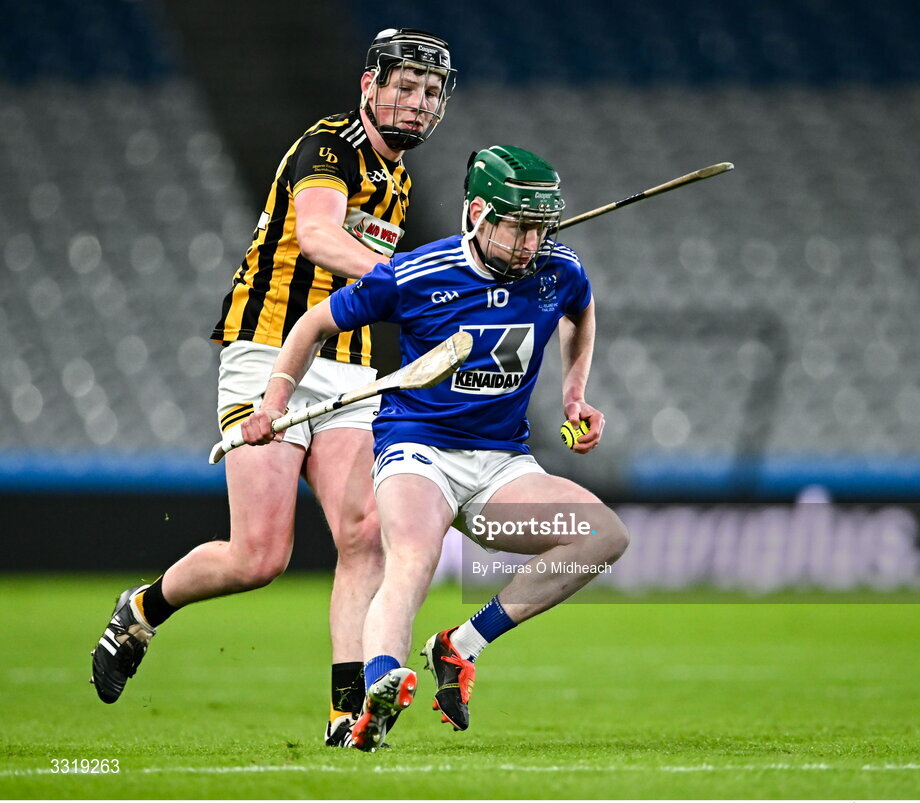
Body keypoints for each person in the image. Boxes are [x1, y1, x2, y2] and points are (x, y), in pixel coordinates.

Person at [90, 28, 457, 748]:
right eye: (405, 87)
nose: (417, 104)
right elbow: (318, 236)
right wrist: (410, 279)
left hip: (347, 358)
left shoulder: (401, 181)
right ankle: (141, 608)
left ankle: (346, 713)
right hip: (265, 348)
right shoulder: (329, 148)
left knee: (364, 534)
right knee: (259, 556)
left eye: (431, 93)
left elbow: (369, 284)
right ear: (369, 86)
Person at [241, 145, 630, 751]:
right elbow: (312, 325)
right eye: (517, 228)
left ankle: (461, 646)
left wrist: (574, 397)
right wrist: (272, 403)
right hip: (417, 452)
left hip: (501, 463)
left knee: (602, 536)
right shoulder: (415, 274)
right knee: (413, 559)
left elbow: (580, 309)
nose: (530, 245)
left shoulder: (560, 269)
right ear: (476, 212)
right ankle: (376, 693)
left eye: (539, 229)